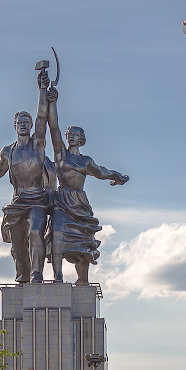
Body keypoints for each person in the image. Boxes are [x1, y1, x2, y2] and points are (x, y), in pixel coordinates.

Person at [46, 85, 128, 284]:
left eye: (75, 134)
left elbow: (101, 172)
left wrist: (116, 176)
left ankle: (82, 279)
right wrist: (53, 102)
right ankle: (58, 277)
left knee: (83, 242)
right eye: (69, 134)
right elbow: (53, 127)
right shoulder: (60, 154)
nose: (71, 136)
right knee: (57, 234)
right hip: (62, 201)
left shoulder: (86, 161)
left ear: (81, 139)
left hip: (79, 202)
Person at [0, 68, 54, 283]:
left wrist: (41, 89)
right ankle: (22, 274)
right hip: (17, 201)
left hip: (37, 200)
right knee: (17, 243)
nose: (23, 124)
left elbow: (42, 115)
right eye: (20, 122)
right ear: (15, 126)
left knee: (34, 234)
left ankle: (36, 273)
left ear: (31, 127)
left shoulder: (38, 146)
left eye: (27, 122)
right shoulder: (8, 151)